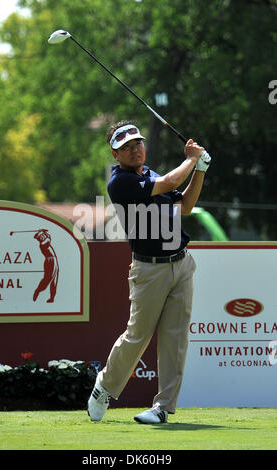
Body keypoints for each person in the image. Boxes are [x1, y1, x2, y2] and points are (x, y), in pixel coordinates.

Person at [87, 120, 211, 424]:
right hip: (149, 270)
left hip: (181, 264)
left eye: (137, 144)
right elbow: (170, 184)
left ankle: (163, 408)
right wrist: (192, 159)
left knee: (175, 339)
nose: (134, 150)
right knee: (137, 337)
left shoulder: (150, 174)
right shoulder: (120, 183)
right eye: (125, 148)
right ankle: (104, 386)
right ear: (116, 155)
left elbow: (185, 205)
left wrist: (200, 171)